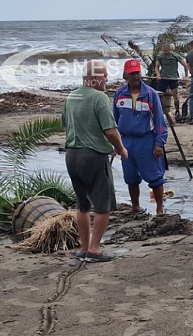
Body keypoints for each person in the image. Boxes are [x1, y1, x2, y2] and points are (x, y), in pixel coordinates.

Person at [63, 60, 128, 263]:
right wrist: (120, 149)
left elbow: (65, 123)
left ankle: (84, 248)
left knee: (82, 205)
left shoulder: (71, 96)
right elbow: (110, 130)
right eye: (105, 76)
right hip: (93, 156)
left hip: (72, 155)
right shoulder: (99, 98)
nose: (107, 79)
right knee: (103, 205)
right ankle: (95, 249)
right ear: (94, 78)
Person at [113, 59, 169, 216]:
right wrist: (115, 144)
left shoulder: (150, 94)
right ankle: (135, 206)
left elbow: (159, 120)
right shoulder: (119, 94)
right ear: (125, 75)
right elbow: (114, 120)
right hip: (127, 141)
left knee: (155, 177)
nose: (135, 76)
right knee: (130, 177)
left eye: (137, 73)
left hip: (147, 140)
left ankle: (159, 208)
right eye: (132, 74)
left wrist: (159, 143)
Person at [155, 43, 188, 115]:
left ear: (170, 49)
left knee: (175, 96)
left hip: (173, 78)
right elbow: (156, 67)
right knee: (158, 95)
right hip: (163, 78)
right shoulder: (160, 56)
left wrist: (186, 76)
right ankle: (159, 111)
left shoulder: (175, 56)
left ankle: (177, 111)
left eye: (166, 51)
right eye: (163, 51)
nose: (164, 52)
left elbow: (185, 65)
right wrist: (158, 75)